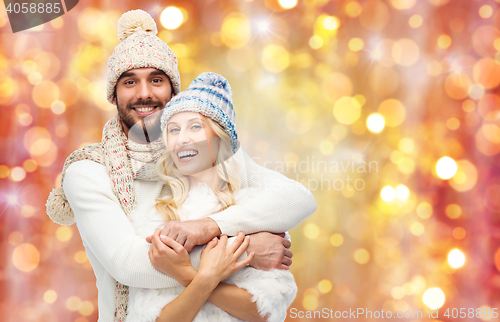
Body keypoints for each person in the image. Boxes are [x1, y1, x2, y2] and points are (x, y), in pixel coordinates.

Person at [45, 9, 316, 321]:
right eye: (130, 81)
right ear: (114, 94)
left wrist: (208, 228)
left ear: (173, 91)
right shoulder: (89, 171)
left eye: (156, 80)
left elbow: (298, 199)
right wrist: (247, 248)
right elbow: (129, 263)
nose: (144, 93)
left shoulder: (203, 152)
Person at [126, 73, 299, 322]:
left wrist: (186, 274)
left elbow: (263, 311)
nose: (182, 138)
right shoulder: (155, 214)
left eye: (195, 126)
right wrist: (208, 275)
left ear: (221, 138)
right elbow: (152, 317)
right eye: (173, 130)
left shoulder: (256, 209)